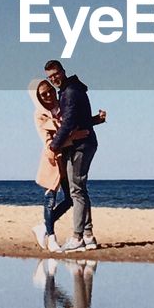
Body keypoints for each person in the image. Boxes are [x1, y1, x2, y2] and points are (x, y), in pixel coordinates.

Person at [28, 78, 105, 252]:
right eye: (43, 94)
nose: (48, 95)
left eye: (49, 90)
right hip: (53, 161)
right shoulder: (39, 115)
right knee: (50, 199)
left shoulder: (63, 105)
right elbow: (50, 144)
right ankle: (52, 236)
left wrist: (96, 120)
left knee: (72, 198)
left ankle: (46, 227)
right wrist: (72, 138)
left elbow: (74, 123)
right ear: (37, 98)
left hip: (68, 158)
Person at [44, 60, 102, 253]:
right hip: (84, 144)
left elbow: (68, 123)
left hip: (80, 146)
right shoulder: (73, 90)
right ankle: (88, 235)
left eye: (56, 74)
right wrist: (96, 120)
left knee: (76, 191)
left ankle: (77, 237)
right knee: (80, 190)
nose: (54, 79)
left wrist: (53, 145)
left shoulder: (69, 92)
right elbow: (81, 120)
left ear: (63, 71)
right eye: (50, 77)